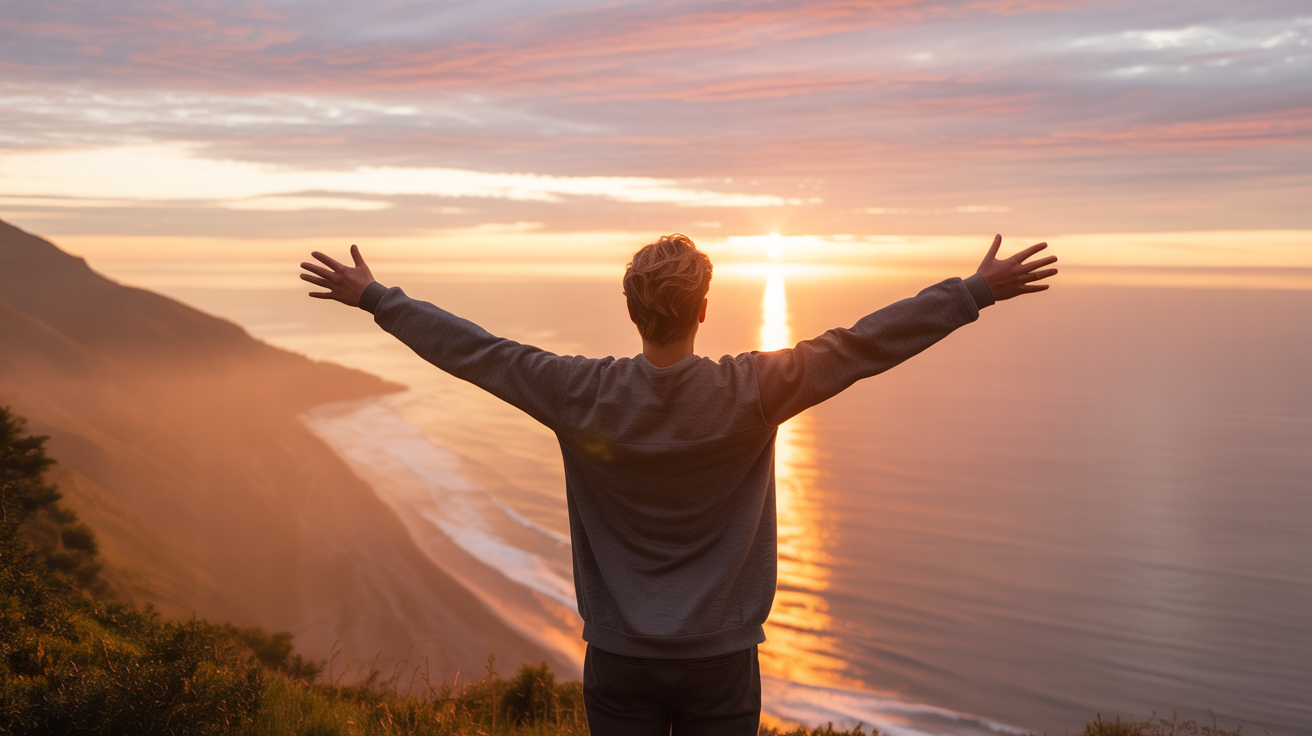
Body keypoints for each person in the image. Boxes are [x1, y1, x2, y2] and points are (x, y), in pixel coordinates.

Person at [300, 233, 1057, 736]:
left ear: (630, 311)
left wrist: (377, 298)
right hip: (721, 662)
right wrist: (972, 292)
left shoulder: (574, 392)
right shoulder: (751, 391)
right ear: (702, 309)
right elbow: (860, 347)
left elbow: (476, 352)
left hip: (620, 659)